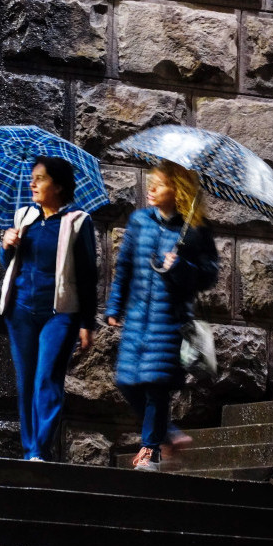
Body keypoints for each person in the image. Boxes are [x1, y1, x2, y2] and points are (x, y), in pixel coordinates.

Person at [106, 160, 219, 471]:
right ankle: (168, 434)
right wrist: (114, 306)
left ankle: (150, 453)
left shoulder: (195, 229)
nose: (151, 188)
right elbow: (124, 267)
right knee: (126, 382)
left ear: (178, 191)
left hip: (170, 321)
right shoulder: (139, 221)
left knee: (156, 387)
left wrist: (180, 266)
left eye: (160, 184)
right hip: (137, 317)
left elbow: (209, 276)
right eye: (151, 182)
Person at [0, 155, 98, 462]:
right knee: (26, 383)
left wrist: (87, 323)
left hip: (60, 314)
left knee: (47, 378)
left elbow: (88, 275)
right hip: (21, 311)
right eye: (32, 179)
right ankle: (30, 451)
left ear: (58, 186)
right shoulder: (24, 217)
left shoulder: (78, 221)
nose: (32, 184)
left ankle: (40, 449)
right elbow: (9, 265)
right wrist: (6, 245)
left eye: (39, 179)